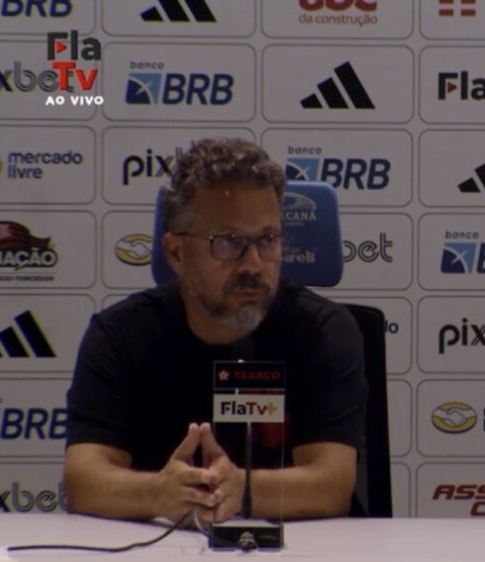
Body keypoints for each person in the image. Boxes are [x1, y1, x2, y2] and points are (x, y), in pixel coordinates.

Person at [64, 138, 367, 524]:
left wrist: (242, 491)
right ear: (176, 253)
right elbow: (83, 479)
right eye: (229, 243)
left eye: (268, 240)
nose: (253, 264)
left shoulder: (323, 330)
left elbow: (332, 485)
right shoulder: (119, 335)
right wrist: (158, 493)